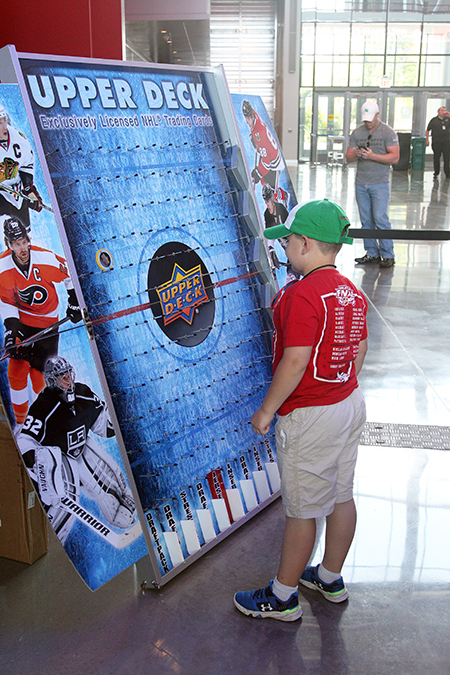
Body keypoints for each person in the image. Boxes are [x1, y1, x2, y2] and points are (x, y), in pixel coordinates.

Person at [233, 199, 368, 621]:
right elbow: (359, 350)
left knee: (302, 510)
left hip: (310, 417)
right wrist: (339, 387)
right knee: (341, 496)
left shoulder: (302, 294)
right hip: (347, 403)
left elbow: (294, 360)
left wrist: (267, 410)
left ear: (306, 244)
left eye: (288, 242)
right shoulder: (352, 292)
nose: (284, 249)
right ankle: (329, 576)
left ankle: (283, 596)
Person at [17, 355, 136, 545]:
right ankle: (47, 537)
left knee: (114, 500)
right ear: (51, 381)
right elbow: (24, 442)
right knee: (62, 499)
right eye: (61, 377)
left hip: (80, 450)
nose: (68, 380)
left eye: (68, 374)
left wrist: (119, 415)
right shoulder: (43, 406)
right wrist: (40, 467)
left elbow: (104, 427)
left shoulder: (83, 393)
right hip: (58, 461)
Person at [0, 217, 81, 428]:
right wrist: (11, 330)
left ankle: (53, 420)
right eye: (16, 244)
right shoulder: (2, 266)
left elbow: (69, 273)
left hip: (48, 324)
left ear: (28, 239)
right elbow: (6, 301)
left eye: (24, 241)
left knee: (41, 376)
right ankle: (20, 423)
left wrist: (73, 302)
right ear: (9, 244)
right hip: (22, 323)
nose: (22, 248)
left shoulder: (45, 259)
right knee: (15, 371)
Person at [346, 101, 399, 269]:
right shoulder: (357, 132)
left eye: (370, 119)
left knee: (381, 219)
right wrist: (357, 153)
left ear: (377, 115)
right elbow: (348, 158)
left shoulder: (387, 132)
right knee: (366, 220)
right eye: (365, 120)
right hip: (361, 182)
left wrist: (372, 156)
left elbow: (395, 158)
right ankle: (371, 252)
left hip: (380, 183)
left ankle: (388, 255)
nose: (367, 123)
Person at [0, 103, 43, 230]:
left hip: (16, 191)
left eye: (5, 120)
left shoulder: (18, 138)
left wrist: (28, 187)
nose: (4, 126)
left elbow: (26, 163)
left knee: (23, 231)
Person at [242, 100, 288, 207]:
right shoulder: (253, 115)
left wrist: (257, 173)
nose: (247, 121)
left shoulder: (259, 134)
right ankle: (282, 195)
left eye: (248, 119)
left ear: (251, 117)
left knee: (272, 194)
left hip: (274, 161)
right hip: (267, 154)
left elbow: (266, 163)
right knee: (264, 184)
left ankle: (283, 198)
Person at [262, 184, 298, 283]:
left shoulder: (281, 209)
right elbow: (270, 234)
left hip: (293, 242)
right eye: (265, 202)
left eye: (268, 201)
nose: (267, 204)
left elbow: (291, 232)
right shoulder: (267, 214)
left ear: (272, 200)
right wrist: (271, 250)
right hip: (285, 242)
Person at [426, 106, 450, 179]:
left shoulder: (448, 119)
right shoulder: (434, 120)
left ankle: (447, 172)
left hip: (446, 142)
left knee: (447, 157)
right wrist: (427, 140)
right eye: (442, 110)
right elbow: (427, 130)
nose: (443, 111)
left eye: (444, 110)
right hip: (437, 142)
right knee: (436, 157)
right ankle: (436, 171)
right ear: (438, 112)